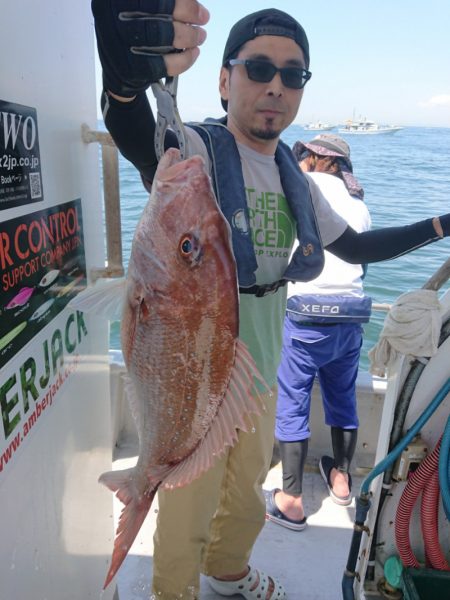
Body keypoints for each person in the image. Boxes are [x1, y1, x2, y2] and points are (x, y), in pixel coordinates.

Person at [91, 3, 450, 598]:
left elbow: (357, 245)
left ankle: (227, 576)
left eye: (293, 74)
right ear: (224, 79)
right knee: (184, 512)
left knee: (246, 501)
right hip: (196, 378)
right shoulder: (195, 155)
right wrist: (124, 91)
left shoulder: (297, 179)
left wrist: (440, 223)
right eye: (258, 68)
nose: (275, 86)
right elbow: (136, 136)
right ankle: (172, 591)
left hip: (259, 376)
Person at [265, 134, 372, 532]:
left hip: (305, 317)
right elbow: (362, 264)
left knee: (292, 402)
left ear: (313, 159)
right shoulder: (358, 202)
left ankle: (291, 501)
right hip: (351, 316)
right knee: (342, 397)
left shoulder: (299, 188)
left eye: (303, 156)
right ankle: (341, 480)